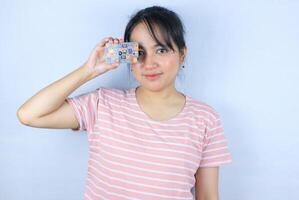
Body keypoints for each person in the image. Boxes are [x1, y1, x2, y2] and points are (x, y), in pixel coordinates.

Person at [17, 5, 232, 200]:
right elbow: (29, 115)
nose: (149, 63)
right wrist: (88, 71)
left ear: (182, 54)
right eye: (139, 52)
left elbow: (207, 196)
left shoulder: (205, 118)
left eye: (161, 50)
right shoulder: (102, 104)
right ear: (127, 56)